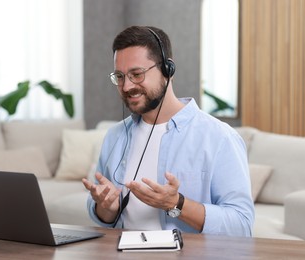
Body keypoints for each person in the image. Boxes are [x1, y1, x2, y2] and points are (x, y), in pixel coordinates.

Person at [82, 25, 254, 236]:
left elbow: (242, 225)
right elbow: (105, 218)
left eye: (136, 74)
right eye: (119, 76)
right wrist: (106, 207)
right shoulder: (115, 136)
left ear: (167, 70)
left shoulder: (219, 137)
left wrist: (177, 204)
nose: (126, 87)